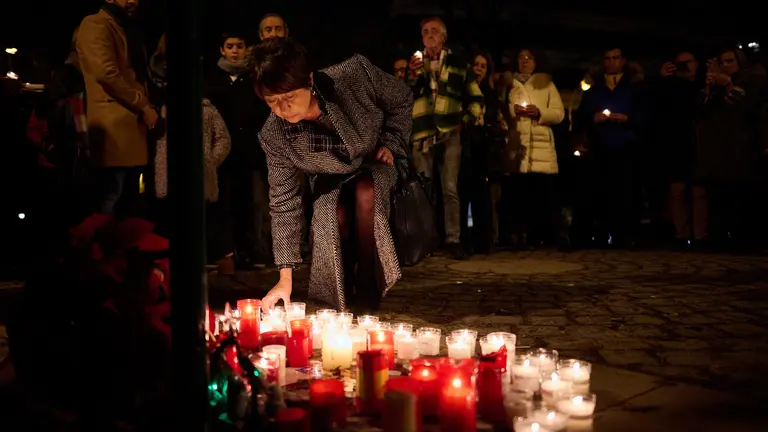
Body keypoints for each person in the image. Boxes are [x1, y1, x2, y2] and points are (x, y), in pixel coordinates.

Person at [254, 38, 413, 313]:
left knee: (367, 192)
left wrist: (391, 142)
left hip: (375, 160)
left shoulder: (353, 76)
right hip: (330, 178)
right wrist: (284, 278)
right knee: (332, 212)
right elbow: (284, 201)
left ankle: (367, 283)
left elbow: (401, 98)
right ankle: (342, 286)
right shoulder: (275, 134)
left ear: (310, 81)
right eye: (272, 102)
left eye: (289, 97)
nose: (283, 109)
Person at [76, 0, 156, 216]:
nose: (133, 1)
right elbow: (106, 73)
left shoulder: (125, 26)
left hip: (128, 123)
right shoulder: (96, 24)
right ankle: (103, 246)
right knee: (112, 195)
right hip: (115, 124)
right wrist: (143, 104)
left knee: (126, 197)